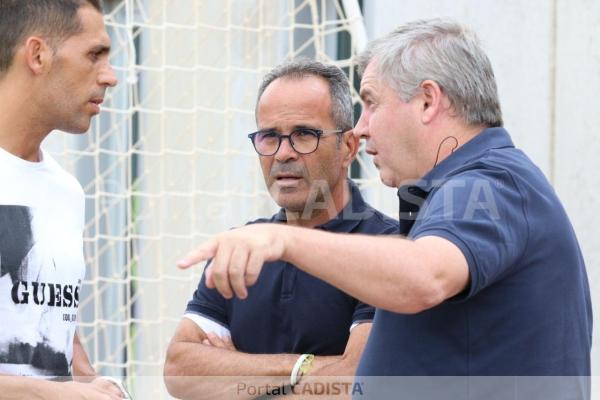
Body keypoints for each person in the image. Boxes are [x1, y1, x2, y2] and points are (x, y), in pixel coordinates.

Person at [178, 18, 592, 399]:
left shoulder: (489, 183)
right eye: (270, 137)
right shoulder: (469, 188)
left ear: (428, 101)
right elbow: (181, 370)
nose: (361, 126)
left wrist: (282, 239)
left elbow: (423, 275)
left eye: (372, 102)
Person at [164, 59, 397, 399]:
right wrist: (305, 367)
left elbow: (356, 382)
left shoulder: (388, 247)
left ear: (348, 147)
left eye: (304, 135)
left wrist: (233, 371)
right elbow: (179, 370)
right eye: (269, 137)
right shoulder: (240, 247)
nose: (283, 153)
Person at [0, 0, 122, 398]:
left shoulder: (66, 191)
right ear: (38, 55)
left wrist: (95, 385)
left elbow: (53, 341)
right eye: (94, 55)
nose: (110, 77)